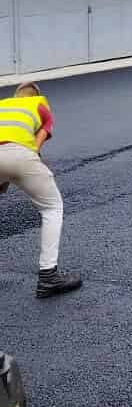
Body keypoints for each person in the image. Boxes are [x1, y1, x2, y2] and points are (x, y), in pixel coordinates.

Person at [0, 82, 83, 298]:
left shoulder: (3, 106)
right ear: (36, 95)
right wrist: (33, 162)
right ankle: (48, 277)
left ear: (15, 96)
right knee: (52, 208)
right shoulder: (39, 105)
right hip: (20, 155)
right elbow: (35, 144)